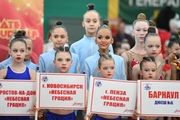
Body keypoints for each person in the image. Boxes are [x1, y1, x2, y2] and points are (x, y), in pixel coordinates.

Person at [0, 30, 36, 120]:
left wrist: (36, 106)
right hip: (5, 114)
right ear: (10, 51)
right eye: (15, 50)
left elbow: (35, 97)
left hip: (24, 114)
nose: (18, 53)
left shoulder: (32, 73)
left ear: (26, 52)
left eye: (22, 50)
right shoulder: (3, 73)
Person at [70, 4, 113, 73]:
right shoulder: (75, 47)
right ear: (83, 23)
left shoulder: (107, 45)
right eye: (88, 21)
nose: (91, 24)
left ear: (99, 23)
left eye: (95, 21)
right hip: (82, 82)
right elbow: (72, 70)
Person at [84, 19, 126, 90]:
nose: (103, 40)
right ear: (95, 40)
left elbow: (124, 84)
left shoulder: (120, 60)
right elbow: (87, 87)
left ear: (112, 40)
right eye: (100, 37)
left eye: (107, 38)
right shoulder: (88, 62)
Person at [38, 46, 76, 120]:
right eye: (60, 60)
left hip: (70, 116)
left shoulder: (77, 82)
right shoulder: (46, 82)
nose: (64, 63)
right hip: (51, 116)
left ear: (71, 62)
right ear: (54, 62)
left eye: (67, 60)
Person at [86, 53, 121, 120]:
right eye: (105, 68)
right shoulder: (95, 86)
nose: (109, 71)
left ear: (115, 68)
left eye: (112, 68)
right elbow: (92, 106)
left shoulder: (120, 86)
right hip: (100, 118)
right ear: (99, 69)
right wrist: (89, 114)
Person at [121, 13, 149, 80]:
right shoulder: (126, 56)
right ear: (133, 32)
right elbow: (123, 80)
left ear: (149, 32)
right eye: (138, 30)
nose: (141, 33)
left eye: (145, 30)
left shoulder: (154, 54)